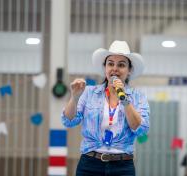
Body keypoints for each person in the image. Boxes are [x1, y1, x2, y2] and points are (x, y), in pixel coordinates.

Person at [61, 40, 150, 176]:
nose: (115, 68)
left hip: (123, 166)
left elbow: (141, 129)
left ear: (129, 70)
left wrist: (124, 98)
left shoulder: (138, 97)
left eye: (121, 65)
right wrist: (74, 98)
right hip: (89, 164)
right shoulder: (89, 92)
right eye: (110, 64)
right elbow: (68, 121)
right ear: (105, 68)